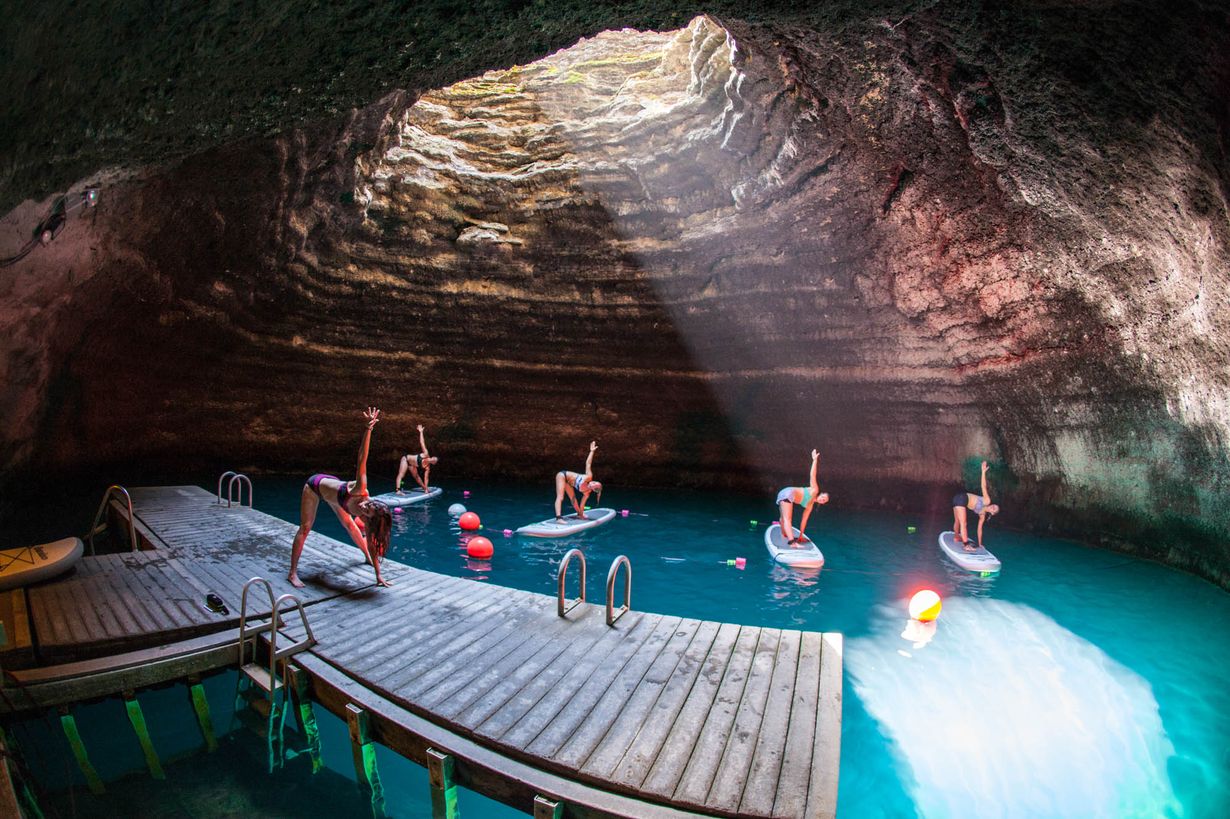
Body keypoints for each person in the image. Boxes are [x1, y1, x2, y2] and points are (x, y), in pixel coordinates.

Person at [289, 407, 394, 588]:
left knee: (350, 525)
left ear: (370, 518)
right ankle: (292, 573)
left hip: (337, 496)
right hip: (315, 486)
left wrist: (378, 575)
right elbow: (362, 458)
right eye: (367, 505)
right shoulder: (360, 488)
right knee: (305, 528)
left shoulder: (368, 520)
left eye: (365, 512)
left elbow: (371, 543)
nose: (363, 508)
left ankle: (366, 559)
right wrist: (368, 429)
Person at [775, 449, 830, 547]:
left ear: (823, 503)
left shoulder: (810, 506)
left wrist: (800, 535)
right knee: (788, 519)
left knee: (783, 519)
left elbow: (804, 520)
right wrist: (814, 460)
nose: (823, 499)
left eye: (824, 500)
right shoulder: (814, 490)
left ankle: (784, 533)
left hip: (783, 494)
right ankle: (792, 543)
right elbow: (812, 475)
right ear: (820, 494)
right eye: (823, 497)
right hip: (788, 493)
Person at [952, 460, 1000, 552]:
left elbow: (979, 530)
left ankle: (956, 537)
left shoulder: (982, 515)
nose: (992, 506)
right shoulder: (987, 501)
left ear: (992, 513)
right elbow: (983, 487)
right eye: (994, 505)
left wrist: (980, 543)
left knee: (958, 521)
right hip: (962, 498)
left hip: (957, 500)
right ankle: (966, 545)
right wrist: (983, 472)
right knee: (964, 523)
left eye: (994, 508)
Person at [555, 441, 603, 521]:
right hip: (563, 475)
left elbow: (582, 505)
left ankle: (579, 514)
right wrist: (592, 451)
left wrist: (581, 514)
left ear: (594, 489)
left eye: (594, 484)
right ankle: (558, 518)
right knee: (560, 496)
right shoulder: (589, 477)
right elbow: (588, 464)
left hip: (569, 484)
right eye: (595, 481)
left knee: (573, 499)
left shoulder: (587, 493)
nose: (593, 482)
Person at [396, 424, 439, 493]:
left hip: (412, 465)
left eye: (435, 461)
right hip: (406, 459)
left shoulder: (428, 467)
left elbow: (426, 478)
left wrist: (426, 488)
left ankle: (424, 488)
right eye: (434, 458)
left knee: (416, 476)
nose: (434, 459)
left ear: (433, 463)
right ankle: (398, 490)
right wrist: (421, 432)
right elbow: (422, 442)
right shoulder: (426, 454)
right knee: (401, 474)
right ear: (432, 457)